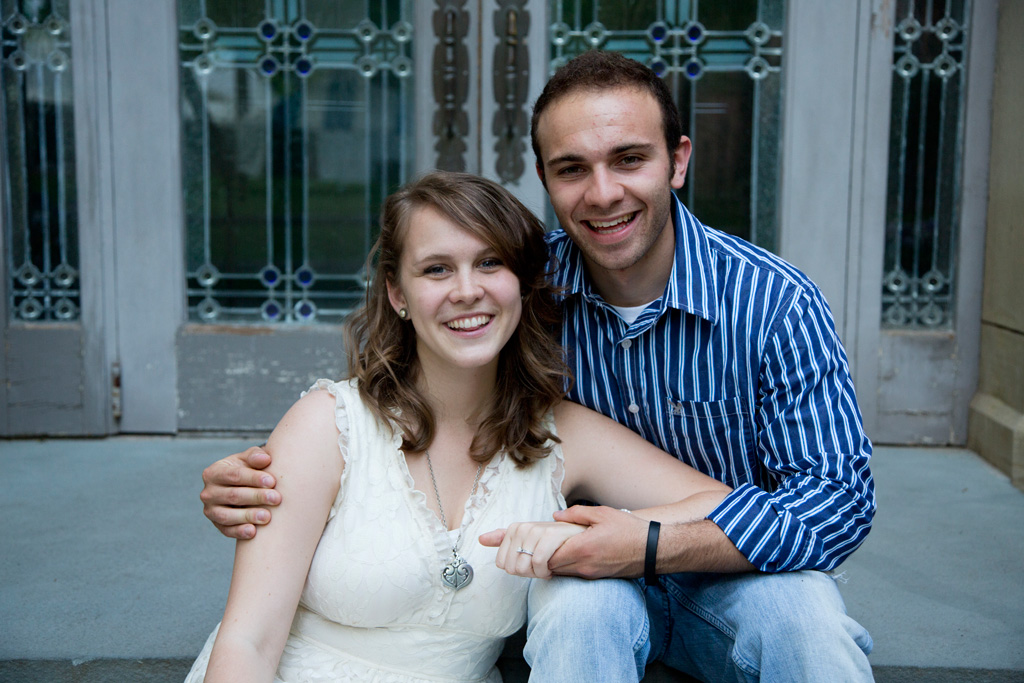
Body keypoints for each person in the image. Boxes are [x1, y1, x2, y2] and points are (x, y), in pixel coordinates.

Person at [201, 52, 877, 681]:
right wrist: (266, 479)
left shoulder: (773, 302)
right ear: (546, 178)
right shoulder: (523, 279)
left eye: (629, 159)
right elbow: (403, 378)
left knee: (807, 621)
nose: (603, 193)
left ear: (677, 161)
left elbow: (838, 504)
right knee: (580, 612)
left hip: (736, 569)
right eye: (572, 168)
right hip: (584, 579)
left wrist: (646, 543)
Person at [185, 170, 731, 682]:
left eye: (490, 263)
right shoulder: (328, 425)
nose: (467, 290)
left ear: (522, 284)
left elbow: (722, 507)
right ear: (398, 294)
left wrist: (604, 532)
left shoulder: (562, 434)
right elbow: (249, 642)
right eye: (437, 269)